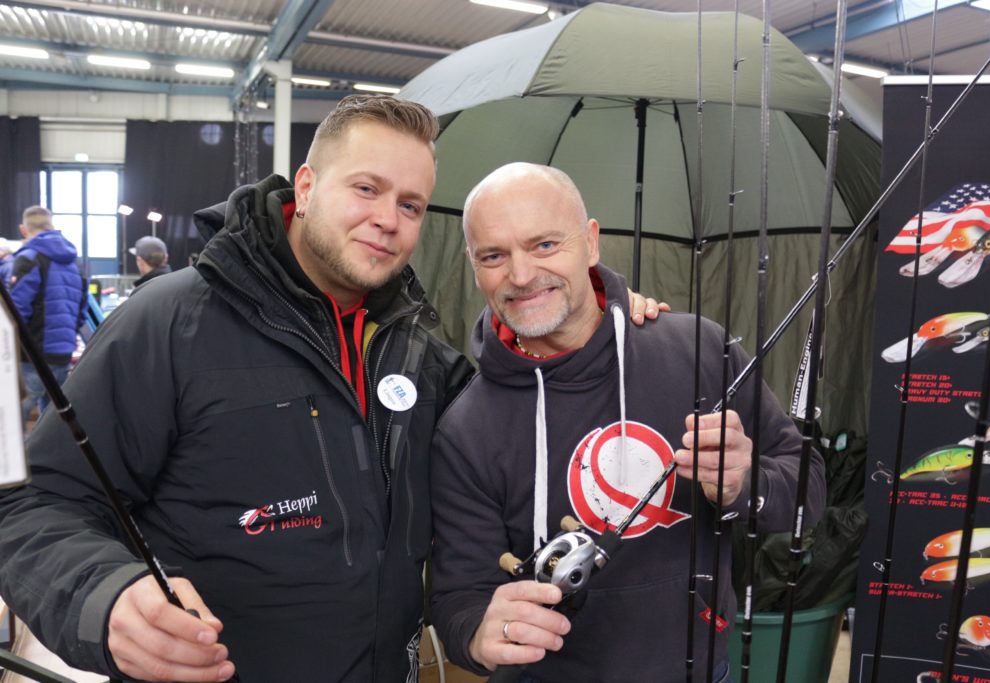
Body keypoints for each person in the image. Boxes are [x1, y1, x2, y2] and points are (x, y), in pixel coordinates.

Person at [0, 97, 662, 683]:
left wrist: (601, 318)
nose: (387, 219)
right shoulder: (169, 322)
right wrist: (107, 596)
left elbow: (518, 416)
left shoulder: (419, 353)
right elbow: (34, 507)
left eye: (409, 205)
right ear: (308, 186)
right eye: (367, 188)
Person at [428, 163, 826, 683]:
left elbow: (808, 491)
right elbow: (459, 597)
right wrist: (480, 635)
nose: (521, 275)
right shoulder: (465, 428)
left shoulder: (699, 349)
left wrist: (742, 486)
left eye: (545, 244)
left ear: (590, 243)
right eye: (494, 256)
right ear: (473, 266)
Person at [8, 206, 87, 425]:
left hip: (32, 352)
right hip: (62, 350)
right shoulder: (74, 261)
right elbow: (82, 309)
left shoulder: (29, 258)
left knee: (15, 413)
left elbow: (17, 310)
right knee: (53, 417)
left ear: (24, 229)